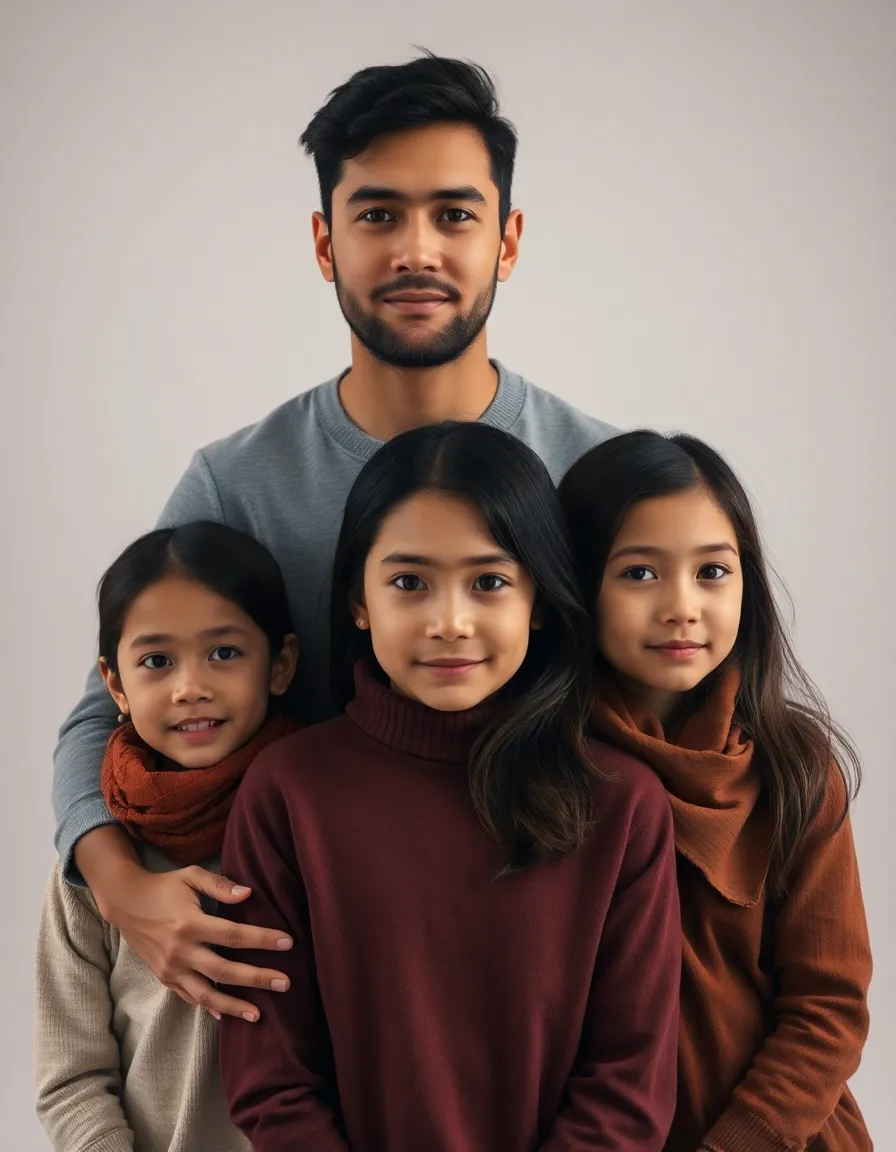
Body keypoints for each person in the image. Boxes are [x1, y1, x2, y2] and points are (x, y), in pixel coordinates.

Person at [51, 51, 618, 1022]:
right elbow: (104, 708)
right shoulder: (238, 481)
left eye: (453, 214)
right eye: (376, 215)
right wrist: (118, 886)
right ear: (323, 243)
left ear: (507, 240)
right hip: (321, 975)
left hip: (546, 969)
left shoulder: (591, 473)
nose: (415, 250)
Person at [217, 422, 681, 1152]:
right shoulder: (288, 792)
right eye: (408, 583)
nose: (449, 621)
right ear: (357, 602)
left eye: (490, 582)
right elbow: (269, 1075)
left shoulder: (621, 801)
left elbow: (630, 1082)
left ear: (537, 598)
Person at [558, 431, 872, 1152]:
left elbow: (828, 1005)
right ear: (577, 584)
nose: (682, 607)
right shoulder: (543, 774)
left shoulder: (795, 768)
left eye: (713, 572)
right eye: (639, 573)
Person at [35, 522, 298, 1152]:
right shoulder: (96, 865)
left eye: (224, 653)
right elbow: (70, 1080)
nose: (190, 687)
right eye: (156, 661)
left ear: (281, 665)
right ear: (115, 684)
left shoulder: (320, 827)